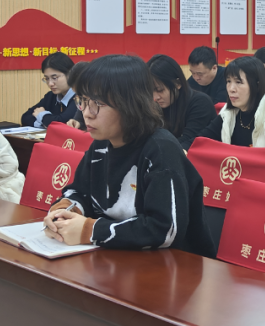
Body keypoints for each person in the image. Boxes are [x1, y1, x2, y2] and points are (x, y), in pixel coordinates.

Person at [44, 55, 215, 255]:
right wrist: (65, 211)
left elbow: (164, 229)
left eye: (97, 103)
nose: (87, 113)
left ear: (130, 104)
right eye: (83, 101)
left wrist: (89, 231)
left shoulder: (161, 150)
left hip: (171, 264)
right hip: (117, 257)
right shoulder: (100, 145)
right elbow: (79, 191)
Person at [196, 56, 265, 151]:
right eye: (228, 81)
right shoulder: (228, 112)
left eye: (238, 82)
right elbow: (201, 141)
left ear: (257, 85)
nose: (231, 89)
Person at [147, 54, 217, 150]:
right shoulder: (154, 105)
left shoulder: (200, 103)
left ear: (178, 84)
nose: (155, 97)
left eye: (160, 90)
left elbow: (189, 141)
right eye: (150, 91)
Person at [20, 52, 78, 128]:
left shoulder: (80, 97)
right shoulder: (51, 96)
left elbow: (63, 122)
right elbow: (25, 117)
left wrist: (42, 115)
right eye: (47, 78)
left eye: (54, 78)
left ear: (70, 74)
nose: (50, 84)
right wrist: (44, 122)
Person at [65, 61, 89, 129]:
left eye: (85, 98)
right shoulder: (81, 99)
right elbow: (79, 120)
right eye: (80, 96)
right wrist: (76, 123)